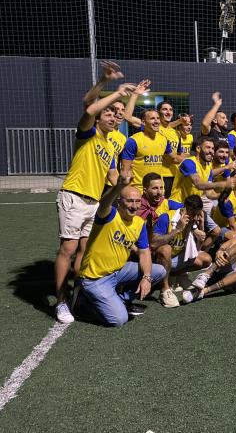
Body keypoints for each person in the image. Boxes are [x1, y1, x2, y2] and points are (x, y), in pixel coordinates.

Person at [54, 66, 133, 323]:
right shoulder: (87, 134)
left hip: (94, 201)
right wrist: (108, 84)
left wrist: (124, 188)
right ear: (99, 118)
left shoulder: (113, 142)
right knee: (69, 248)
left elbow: (111, 173)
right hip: (74, 196)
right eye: (108, 114)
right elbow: (89, 106)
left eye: (117, 115)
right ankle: (61, 301)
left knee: (87, 253)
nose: (113, 117)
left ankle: (81, 296)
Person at [75, 173, 166, 326]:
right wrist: (119, 186)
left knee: (159, 271)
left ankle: (121, 300)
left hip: (118, 272)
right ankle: (82, 298)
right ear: (119, 201)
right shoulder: (110, 215)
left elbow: (144, 252)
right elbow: (104, 203)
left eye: (137, 201)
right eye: (130, 201)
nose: (134, 206)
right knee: (119, 320)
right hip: (95, 278)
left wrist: (147, 277)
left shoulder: (139, 223)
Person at [151, 194, 213, 308]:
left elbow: (197, 249)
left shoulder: (192, 222)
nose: (196, 217)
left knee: (206, 259)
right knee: (166, 249)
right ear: (185, 209)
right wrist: (178, 229)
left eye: (198, 214)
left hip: (174, 259)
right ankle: (165, 289)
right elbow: (153, 243)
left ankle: (175, 275)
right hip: (156, 262)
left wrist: (201, 225)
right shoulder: (166, 218)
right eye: (194, 214)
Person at [120, 108, 180, 193]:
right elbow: (125, 170)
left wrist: (193, 159)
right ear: (143, 122)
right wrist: (126, 191)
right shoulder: (133, 141)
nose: (156, 121)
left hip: (159, 191)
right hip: (139, 191)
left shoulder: (163, 140)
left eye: (158, 118)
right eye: (152, 118)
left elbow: (174, 158)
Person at [170, 136, 234, 204]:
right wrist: (223, 184)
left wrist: (222, 195)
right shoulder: (189, 163)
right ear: (198, 148)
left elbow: (209, 193)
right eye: (208, 147)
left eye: (212, 148)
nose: (211, 151)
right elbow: (199, 185)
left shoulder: (208, 166)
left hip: (192, 207)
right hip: (177, 204)